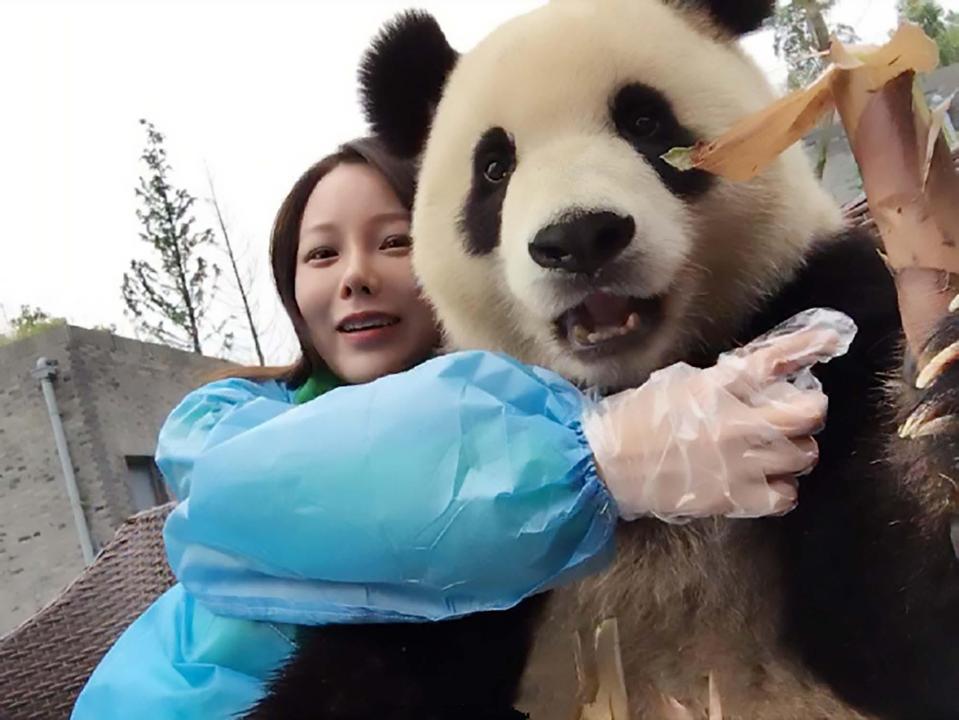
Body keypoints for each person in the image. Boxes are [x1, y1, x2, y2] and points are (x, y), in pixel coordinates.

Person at [72, 136, 850, 720]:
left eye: (394, 240)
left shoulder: (535, 401)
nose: (355, 273)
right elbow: (294, 486)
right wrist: (595, 457)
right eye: (320, 253)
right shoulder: (232, 422)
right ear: (290, 287)